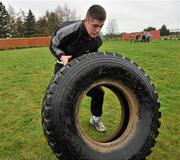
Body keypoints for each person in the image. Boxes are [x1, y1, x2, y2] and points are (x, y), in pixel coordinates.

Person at [49, 5, 107, 132]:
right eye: (95, 26)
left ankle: (96, 120)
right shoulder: (67, 30)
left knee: (98, 93)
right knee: (64, 98)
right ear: (86, 20)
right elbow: (53, 45)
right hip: (64, 67)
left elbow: (93, 52)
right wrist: (62, 56)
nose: (98, 30)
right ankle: (64, 127)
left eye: (101, 26)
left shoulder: (99, 38)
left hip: (82, 69)